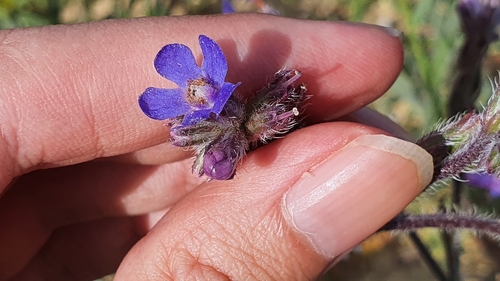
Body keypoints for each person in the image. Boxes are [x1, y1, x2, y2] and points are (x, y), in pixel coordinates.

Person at [0, 13, 432, 280]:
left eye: (199, 86)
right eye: (194, 90)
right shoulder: (199, 107)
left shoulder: (218, 87)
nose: (196, 89)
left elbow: (225, 107)